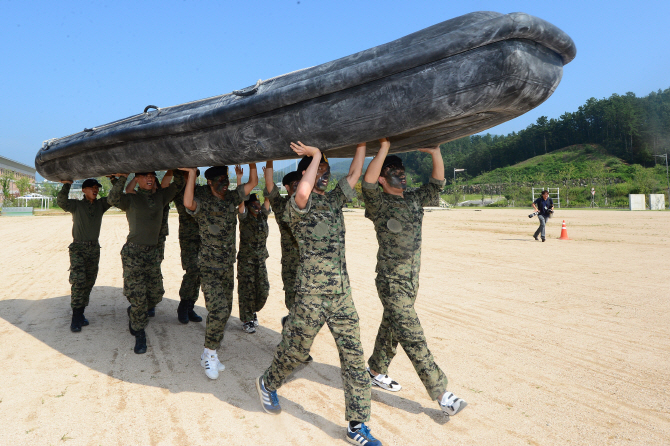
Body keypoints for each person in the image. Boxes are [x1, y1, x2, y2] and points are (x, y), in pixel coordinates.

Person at [255, 142, 384, 446]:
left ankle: (356, 425)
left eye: (326, 171)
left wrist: (366, 145)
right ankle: (268, 382)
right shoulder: (297, 207)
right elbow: (302, 192)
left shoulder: (334, 200)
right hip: (311, 296)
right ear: (306, 177)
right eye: (319, 173)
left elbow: (354, 173)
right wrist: (313, 156)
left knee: (353, 359)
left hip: (341, 294)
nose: (324, 177)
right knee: (296, 353)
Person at [360, 139, 467, 418]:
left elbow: (436, 185)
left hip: (410, 281)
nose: (402, 173)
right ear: (383, 178)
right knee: (411, 334)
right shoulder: (378, 203)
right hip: (391, 281)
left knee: (392, 328)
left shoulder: (413, 199)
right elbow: (367, 184)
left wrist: (436, 153)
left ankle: (373, 370)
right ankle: (442, 393)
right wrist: (383, 148)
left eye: (403, 168)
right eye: (394, 170)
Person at [181, 164, 258, 380]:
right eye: (221, 180)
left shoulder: (231, 199)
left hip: (227, 266)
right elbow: (188, 202)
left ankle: (213, 351)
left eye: (227, 179)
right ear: (210, 183)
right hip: (209, 267)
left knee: (226, 310)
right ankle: (209, 354)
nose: (225, 183)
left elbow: (253, 183)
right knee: (218, 310)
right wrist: (190, 174)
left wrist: (252, 163)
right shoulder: (203, 202)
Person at [107, 171, 184, 354]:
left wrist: (174, 167)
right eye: (144, 176)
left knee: (156, 294)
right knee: (139, 296)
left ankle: (135, 309)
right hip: (133, 253)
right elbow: (112, 198)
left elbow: (178, 184)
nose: (149, 179)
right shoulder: (131, 199)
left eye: (151, 176)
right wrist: (125, 177)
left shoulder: (160, 197)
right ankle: (139, 332)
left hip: (152, 253)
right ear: (137, 179)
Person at [57, 177, 115, 332]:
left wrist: (116, 179)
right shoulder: (76, 205)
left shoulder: (101, 205)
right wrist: (67, 185)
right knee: (79, 282)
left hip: (94, 249)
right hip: (78, 248)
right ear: (84, 190)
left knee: (89, 282)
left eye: (97, 188)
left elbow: (115, 197)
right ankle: (75, 318)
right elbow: (62, 202)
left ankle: (81, 313)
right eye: (92, 187)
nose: (95, 190)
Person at [124, 172, 171, 317]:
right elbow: (128, 191)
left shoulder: (160, 199)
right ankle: (139, 305)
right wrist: (135, 177)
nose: (153, 185)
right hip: (141, 243)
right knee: (139, 281)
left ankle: (148, 304)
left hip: (158, 240)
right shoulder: (140, 199)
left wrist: (171, 169)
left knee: (154, 278)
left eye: (154, 182)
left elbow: (165, 186)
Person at [262, 161, 301, 318]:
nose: (299, 186)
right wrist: (270, 157)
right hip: (292, 264)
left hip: (311, 264)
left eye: (302, 182)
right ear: (287, 187)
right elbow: (270, 186)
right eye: (295, 184)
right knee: (292, 302)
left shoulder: (312, 203)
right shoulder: (281, 205)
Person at [171, 169, 203, 324]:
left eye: (194, 174)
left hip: (203, 238)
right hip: (188, 238)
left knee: (200, 273)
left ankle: (190, 306)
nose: (191, 177)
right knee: (192, 271)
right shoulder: (179, 192)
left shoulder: (203, 192)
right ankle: (183, 305)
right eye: (187, 174)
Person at [236, 189, 270, 334]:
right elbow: (241, 204)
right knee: (247, 290)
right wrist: (240, 182)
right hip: (246, 260)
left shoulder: (263, 217)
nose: (257, 207)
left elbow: (268, 200)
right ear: (248, 207)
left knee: (263, 290)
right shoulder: (244, 218)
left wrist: (268, 189)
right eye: (254, 205)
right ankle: (246, 319)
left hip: (260, 259)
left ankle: (252, 311)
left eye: (258, 204)